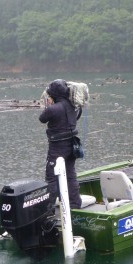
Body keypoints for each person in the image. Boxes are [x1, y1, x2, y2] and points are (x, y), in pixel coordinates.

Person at [39, 79, 82, 209]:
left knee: (51, 177)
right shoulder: (74, 106)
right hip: (72, 146)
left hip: (57, 148)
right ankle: (74, 204)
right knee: (70, 174)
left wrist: (49, 105)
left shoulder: (53, 109)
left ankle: (49, 209)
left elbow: (42, 119)